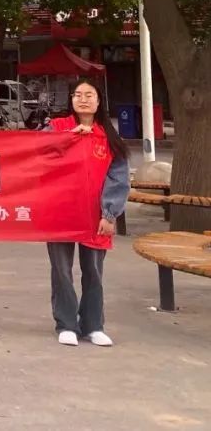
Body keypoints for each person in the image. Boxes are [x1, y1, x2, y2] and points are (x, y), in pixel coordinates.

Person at [45, 79, 129, 347]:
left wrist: (110, 213)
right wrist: (68, 138)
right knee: (61, 270)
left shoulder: (109, 137)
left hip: (96, 215)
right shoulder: (56, 128)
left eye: (89, 95)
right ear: (71, 99)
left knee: (93, 270)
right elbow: (35, 152)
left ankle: (93, 325)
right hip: (60, 211)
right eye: (78, 94)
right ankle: (66, 323)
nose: (83, 99)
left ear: (99, 100)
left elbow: (119, 179)